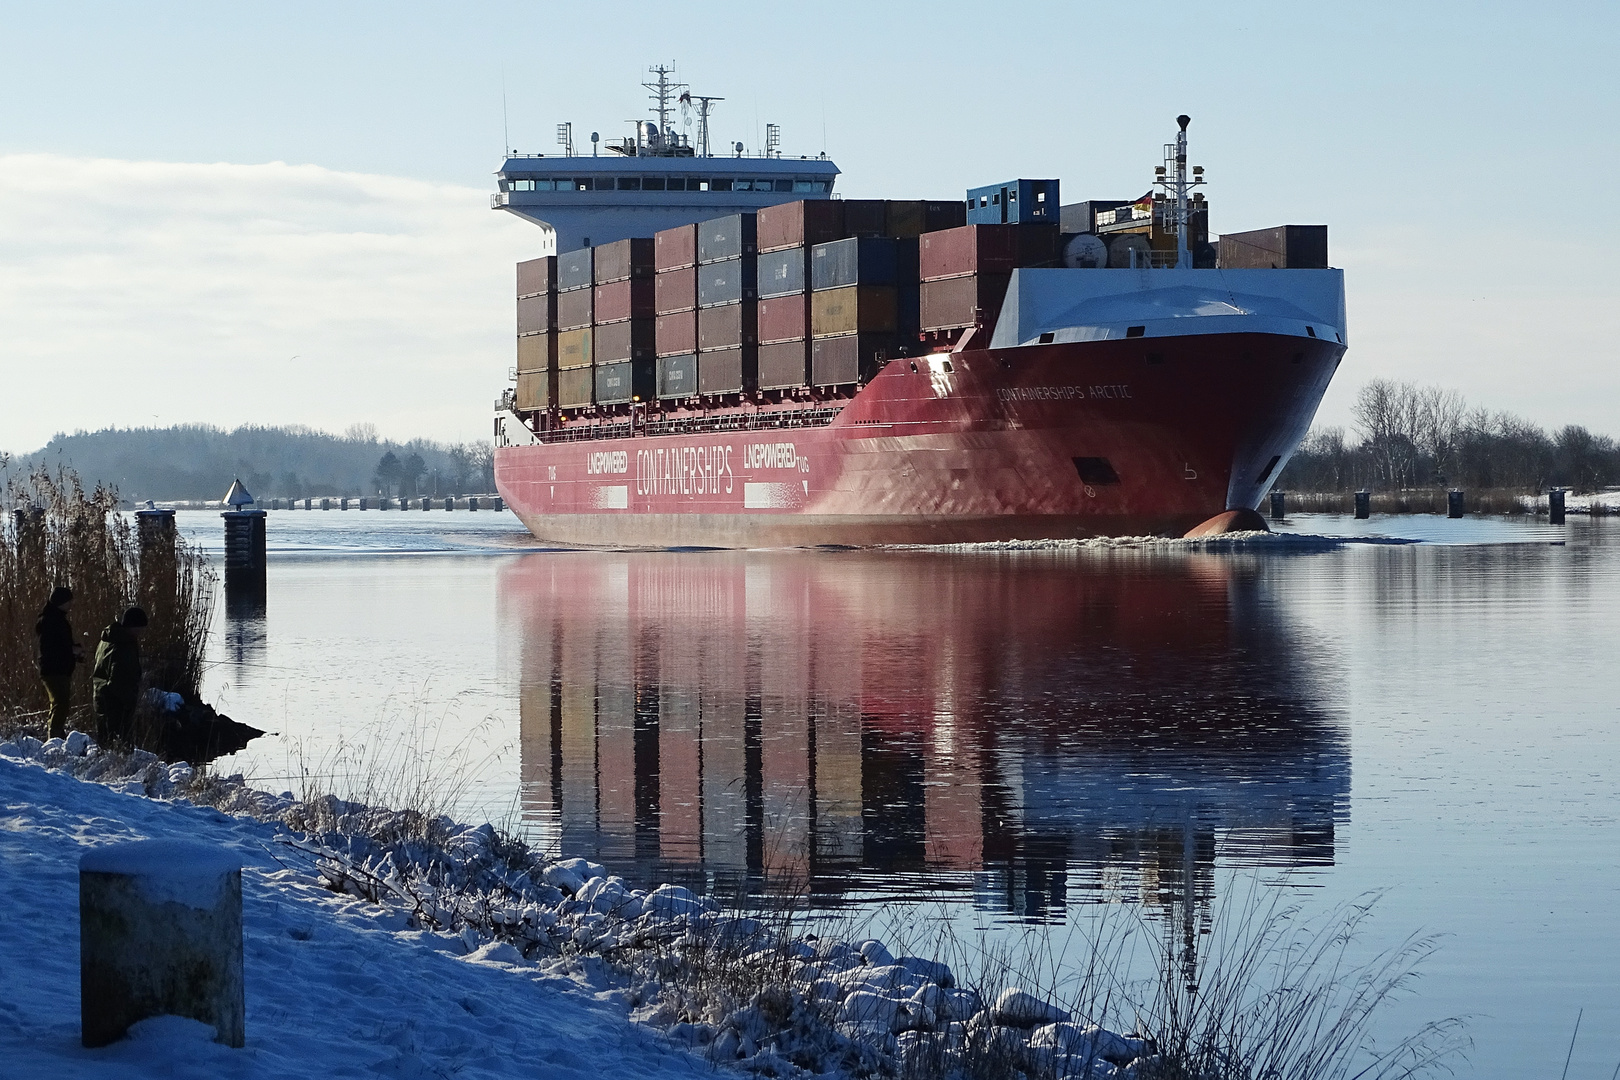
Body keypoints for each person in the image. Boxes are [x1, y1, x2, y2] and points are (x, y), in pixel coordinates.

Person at [92, 606, 146, 749]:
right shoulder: (124, 645)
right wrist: (130, 700)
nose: (140, 633)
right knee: (120, 744)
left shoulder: (107, 640)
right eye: (139, 629)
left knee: (105, 741)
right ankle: (119, 770)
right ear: (132, 626)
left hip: (100, 694)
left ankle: (105, 768)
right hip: (115, 702)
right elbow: (118, 679)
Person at [35, 586, 84, 740]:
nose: (71, 604)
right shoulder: (51, 620)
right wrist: (72, 650)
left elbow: (60, 645)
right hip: (53, 670)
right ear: (60, 602)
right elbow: (52, 647)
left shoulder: (55, 619)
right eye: (68, 601)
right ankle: (54, 738)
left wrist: (75, 653)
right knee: (60, 704)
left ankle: (56, 736)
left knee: (60, 704)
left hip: (59, 669)